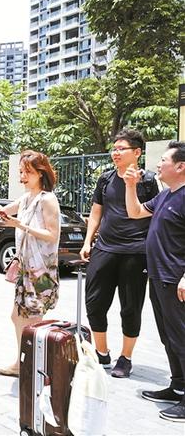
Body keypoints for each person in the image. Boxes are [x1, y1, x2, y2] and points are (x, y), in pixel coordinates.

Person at [0, 150, 61, 377]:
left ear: (40, 173)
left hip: (41, 271)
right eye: (21, 172)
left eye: (27, 172)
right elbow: (2, 213)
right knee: (18, 315)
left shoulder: (47, 199)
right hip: (26, 268)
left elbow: (52, 235)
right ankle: (25, 362)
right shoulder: (27, 198)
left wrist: (20, 225)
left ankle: (32, 366)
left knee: (33, 318)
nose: (22, 177)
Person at [80, 129, 160, 378]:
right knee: (94, 303)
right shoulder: (105, 179)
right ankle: (102, 352)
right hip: (105, 248)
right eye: (114, 149)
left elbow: (156, 215)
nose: (115, 153)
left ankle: (125, 358)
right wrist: (87, 241)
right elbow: (96, 212)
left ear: (136, 152)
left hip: (136, 252)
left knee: (130, 308)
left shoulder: (148, 181)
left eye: (121, 149)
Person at [124, 141, 185, 422]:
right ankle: (178, 387)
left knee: (181, 338)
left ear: (180, 166)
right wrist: (130, 186)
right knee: (169, 337)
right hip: (158, 276)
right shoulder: (165, 196)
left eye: (164, 160)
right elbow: (135, 212)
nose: (158, 164)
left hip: (176, 280)